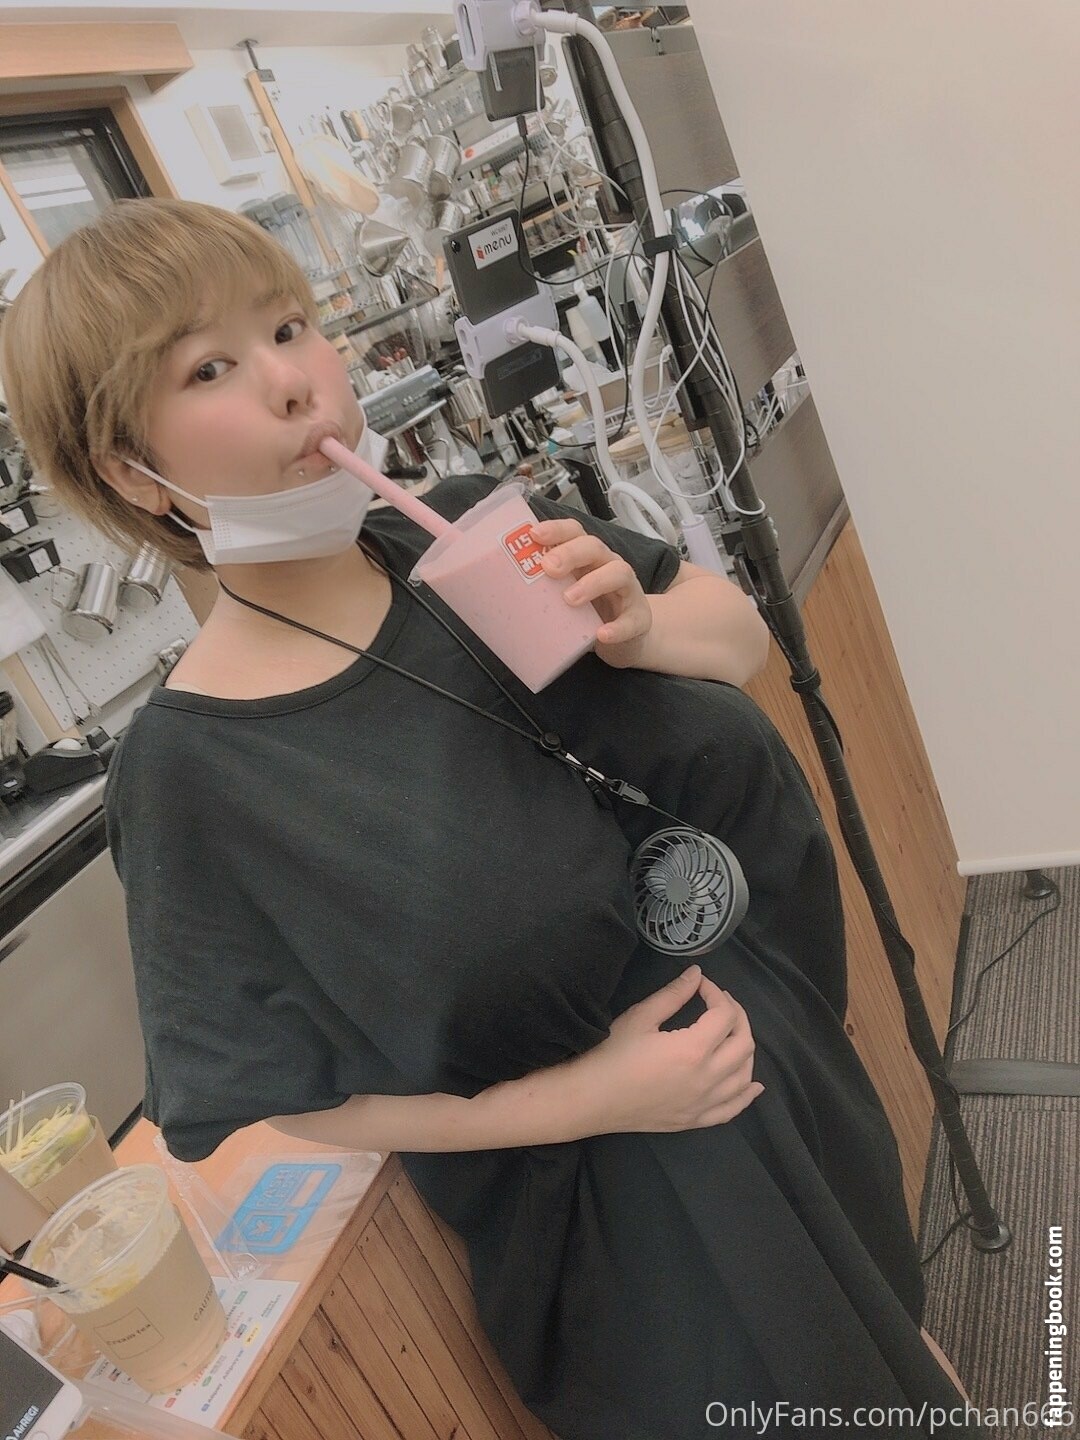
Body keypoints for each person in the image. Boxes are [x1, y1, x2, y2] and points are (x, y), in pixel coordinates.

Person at [0, 199, 982, 1439]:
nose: (294, 380)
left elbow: (735, 643)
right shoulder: (194, 769)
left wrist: (639, 623)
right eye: (210, 369)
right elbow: (268, 1096)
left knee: (913, 1368)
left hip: (788, 1070)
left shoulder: (465, 532)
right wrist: (591, 1097)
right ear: (127, 471)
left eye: (289, 328)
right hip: (640, 1216)